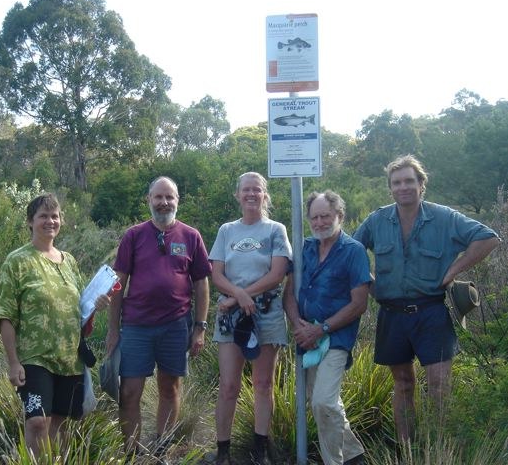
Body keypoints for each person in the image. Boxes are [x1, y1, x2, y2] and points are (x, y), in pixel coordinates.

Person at [353, 155, 500, 445]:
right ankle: (407, 450)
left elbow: (489, 238)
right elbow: (350, 253)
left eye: (409, 181)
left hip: (431, 312)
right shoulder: (377, 220)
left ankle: (439, 447)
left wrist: (454, 271)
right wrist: (370, 283)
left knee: (439, 385)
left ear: (422, 185)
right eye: (397, 182)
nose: (403, 187)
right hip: (392, 314)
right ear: (390, 188)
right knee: (403, 384)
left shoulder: (444, 217)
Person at [0, 193, 110, 456]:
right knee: (37, 422)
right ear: (30, 222)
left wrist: (96, 306)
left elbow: (80, 310)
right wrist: (13, 362)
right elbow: (5, 315)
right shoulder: (17, 261)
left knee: (61, 424)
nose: (50, 221)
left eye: (54, 216)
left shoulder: (69, 261)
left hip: (70, 359)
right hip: (35, 359)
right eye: (43, 216)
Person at [106, 176, 211, 456]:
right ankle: (132, 454)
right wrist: (113, 329)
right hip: (136, 327)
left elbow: (201, 283)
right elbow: (119, 283)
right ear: (149, 200)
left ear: (177, 201)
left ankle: (161, 450)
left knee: (170, 389)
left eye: (169, 197)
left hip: (176, 326)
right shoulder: (134, 235)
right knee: (129, 392)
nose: (164, 203)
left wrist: (199, 327)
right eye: (158, 197)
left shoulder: (191, 236)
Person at [210, 171, 292, 465]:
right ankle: (223, 452)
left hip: (266, 314)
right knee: (228, 385)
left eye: (256, 190)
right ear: (237, 195)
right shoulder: (226, 231)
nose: (251, 194)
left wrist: (241, 296)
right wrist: (237, 297)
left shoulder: (275, 230)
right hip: (231, 317)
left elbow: (277, 273)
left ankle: (260, 450)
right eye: (246, 190)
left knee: (262, 383)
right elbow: (216, 273)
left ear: (264, 194)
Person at [283, 190, 370, 465]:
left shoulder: (353, 251)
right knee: (320, 401)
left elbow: (359, 304)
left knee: (323, 402)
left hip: (335, 338)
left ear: (339, 216)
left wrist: (320, 329)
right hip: (305, 337)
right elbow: (289, 294)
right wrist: (298, 325)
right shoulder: (305, 247)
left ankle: (333, 461)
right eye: (315, 217)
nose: (320, 222)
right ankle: (354, 456)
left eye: (326, 216)